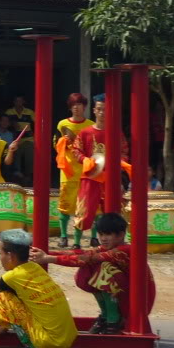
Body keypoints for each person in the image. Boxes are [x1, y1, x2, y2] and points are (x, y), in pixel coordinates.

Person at [31, 212, 155, 335]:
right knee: (89, 269)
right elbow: (82, 253)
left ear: (121, 235)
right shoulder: (106, 248)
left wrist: (49, 258)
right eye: (101, 234)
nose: (103, 238)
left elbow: (85, 259)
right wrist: (48, 253)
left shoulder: (124, 250)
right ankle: (106, 315)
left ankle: (113, 320)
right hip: (125, 293)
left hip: (138, 301)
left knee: (103, 267)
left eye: (108, 234)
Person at [75, 94, 128, 250]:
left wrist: (116, 164)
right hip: (90, 177)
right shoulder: (85, 133)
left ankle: (110, 243)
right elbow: (77, 151)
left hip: (109, 178)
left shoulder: (116, 133)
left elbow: (124, 152)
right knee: (83, 210)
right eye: (99, 109)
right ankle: (76, 243)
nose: (102, 113)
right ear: (94, 111)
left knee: (111, 210)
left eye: (105, 110)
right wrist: (86, 160)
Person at [55, 92, 93, 247]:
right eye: (73, 105)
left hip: (86, 170)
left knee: (88, 205)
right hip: (68, 170)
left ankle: (89, 237)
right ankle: (64, 235)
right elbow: (55, 146)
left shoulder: (90, 125)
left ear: (84, 107)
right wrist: (64, 142)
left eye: (79, 105)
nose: (76, 108)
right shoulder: (62, 124)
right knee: (65, 203)